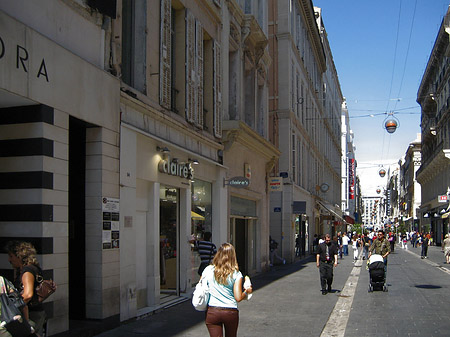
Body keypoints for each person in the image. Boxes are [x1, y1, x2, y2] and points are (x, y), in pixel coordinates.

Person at [201, 243, 252, 337]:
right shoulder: (236, 274)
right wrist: (247, 291)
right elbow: (238, 297)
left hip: (213, 310)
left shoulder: (208, 270)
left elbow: (200, 285)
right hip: (230, 311)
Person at [5, 241, 46, 336]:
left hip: (31, 315)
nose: (9, 260)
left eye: (11, 256)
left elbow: (28, 295)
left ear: (19, 256)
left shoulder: (27, 270)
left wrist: (12, 307)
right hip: (35, 312)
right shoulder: (29, 268)